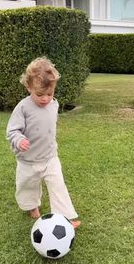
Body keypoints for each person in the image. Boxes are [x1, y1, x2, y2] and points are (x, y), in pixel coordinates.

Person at [6, 57, 81, 229]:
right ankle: (32, 206)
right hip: (28, 159)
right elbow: (12, 131)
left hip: (49, 157)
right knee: (27, 185)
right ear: (28, 87)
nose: (45, 99)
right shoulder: (23, 108)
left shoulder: (54, 105)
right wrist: (19, 139)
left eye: (50, 93)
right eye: (39, 94)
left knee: (58, 185)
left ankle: (65, 218)